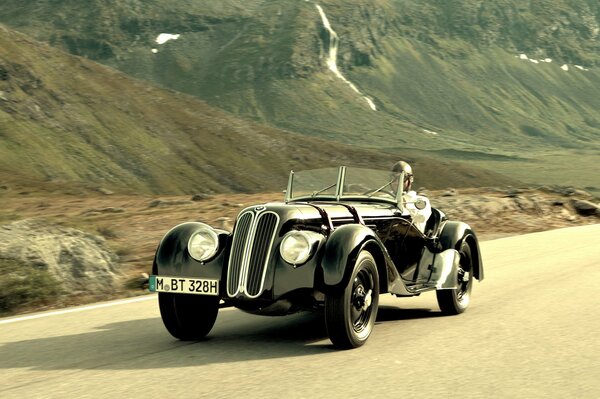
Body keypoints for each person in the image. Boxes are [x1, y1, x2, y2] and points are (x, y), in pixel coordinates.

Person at [391, 161, 432, 234]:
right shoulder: (386, 199)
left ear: (410, 179)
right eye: (393, 178)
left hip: (411, 241)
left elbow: (421, 217)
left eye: (401, 178)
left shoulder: (420, 200)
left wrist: (403, 205)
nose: (396, 182)